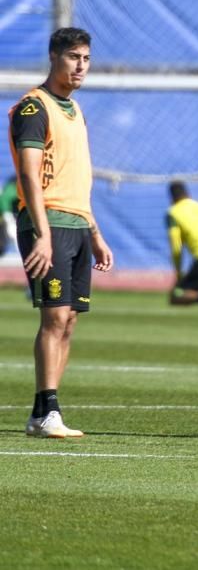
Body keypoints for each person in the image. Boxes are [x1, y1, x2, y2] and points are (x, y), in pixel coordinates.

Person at [8, 27, 113, 438]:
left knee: (68, 319)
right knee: (53, 316)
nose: (80, 65)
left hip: (77, 224)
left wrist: (96, 231)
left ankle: (42, 413)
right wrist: (42, 233)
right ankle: (48, 411)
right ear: (53, 57)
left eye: (85, 58)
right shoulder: (34, 108)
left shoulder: (74, 109)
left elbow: (77, 179)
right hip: (47, 223)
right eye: (73, 57)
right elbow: (31, 176)